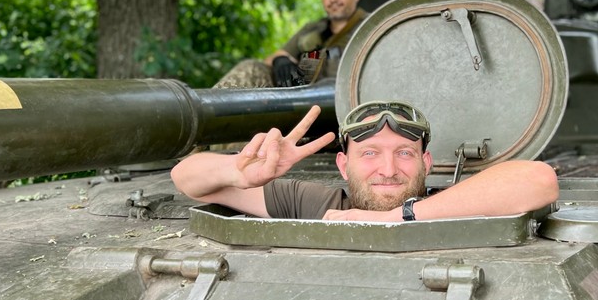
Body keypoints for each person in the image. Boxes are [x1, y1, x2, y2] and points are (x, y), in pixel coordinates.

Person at [171, 101, 559, 222]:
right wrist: (238, 171)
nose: (388, 170)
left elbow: (539, 180)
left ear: (426, 162)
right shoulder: (316, 205)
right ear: (343, 165)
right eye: (369, 153)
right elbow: (185, 176)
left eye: (404, 153)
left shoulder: (454, 205)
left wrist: (393, 218)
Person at [215, 0, 367, 88]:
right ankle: (206, 114)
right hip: (304, 103)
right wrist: (281, 60)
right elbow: (270, 60)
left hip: (350, 103)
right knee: (251, 68)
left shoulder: (372, 26)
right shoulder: (314, 29)